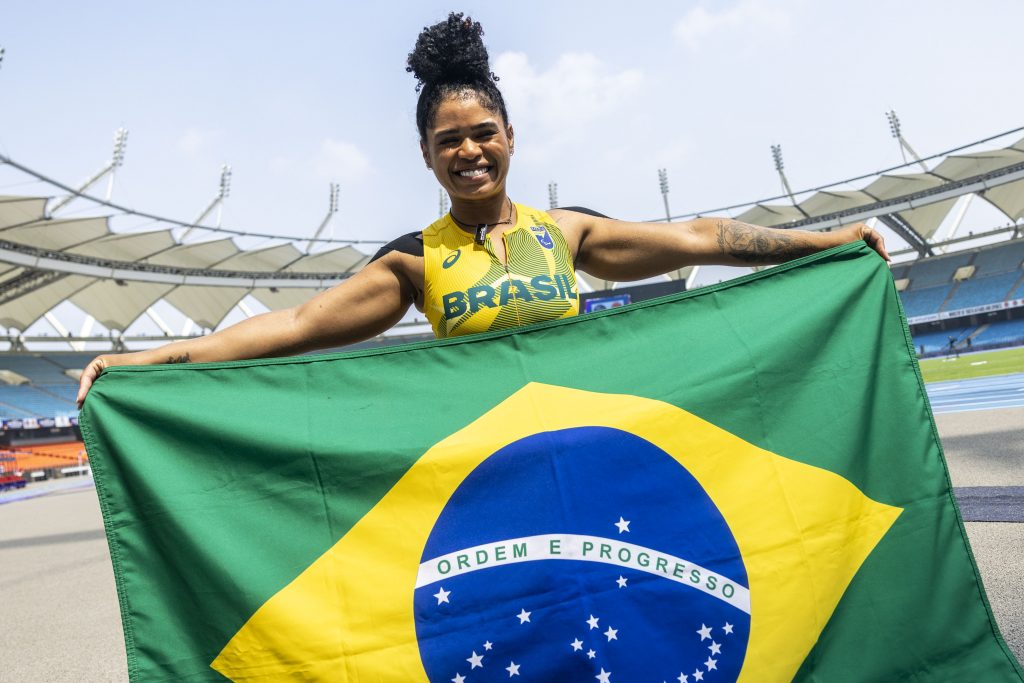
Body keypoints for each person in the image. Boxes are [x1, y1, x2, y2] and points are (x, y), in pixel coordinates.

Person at [77, 12, 888, 407]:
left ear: (510, 137)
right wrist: (143, 362)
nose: (469, 150)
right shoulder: (414, 260)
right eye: (449, 140)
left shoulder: (566, 232)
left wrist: (831, 242)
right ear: (426, 155)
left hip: (594, 439)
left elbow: (702, 237)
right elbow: (290, 329)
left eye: (483, 133)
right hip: (485, 466)